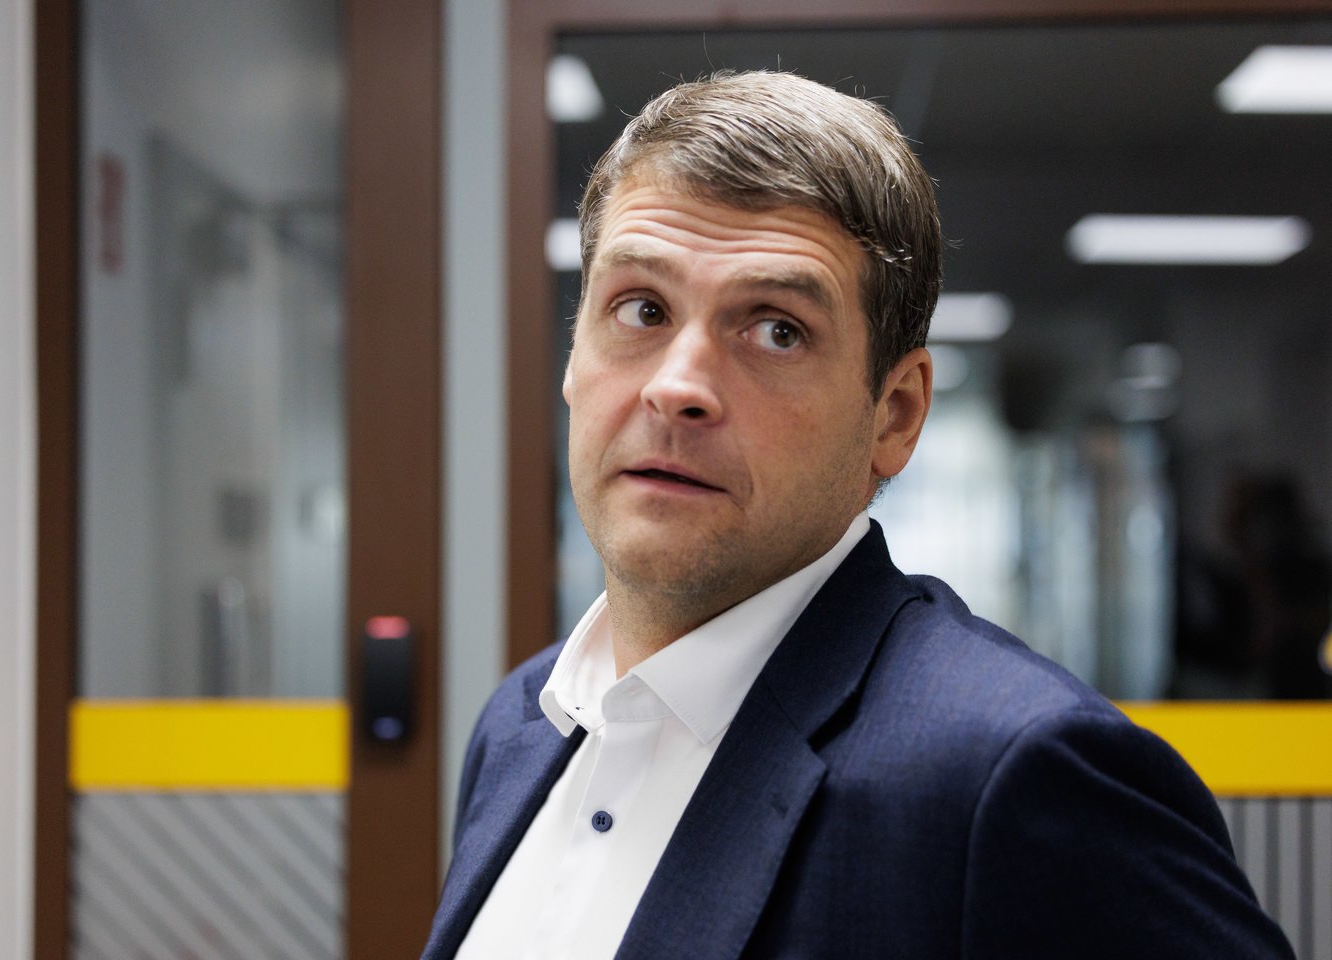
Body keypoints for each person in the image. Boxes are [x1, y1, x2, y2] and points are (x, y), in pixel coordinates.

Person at [422, 71, 1294, 959]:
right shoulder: (522, 723)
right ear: (573, 361)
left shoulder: (1013, 773)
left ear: (895, 415)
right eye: (642, 308)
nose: (678, 385)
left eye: (777, 329)